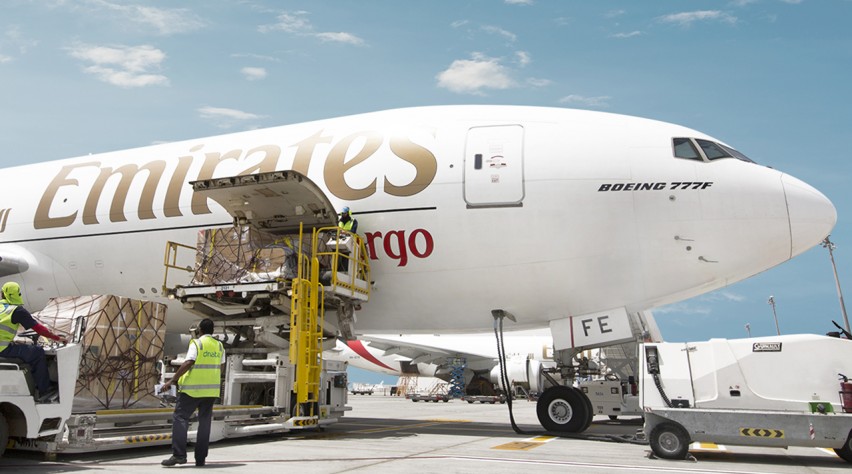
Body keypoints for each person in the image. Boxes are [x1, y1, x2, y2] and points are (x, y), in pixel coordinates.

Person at [161, 318, 225, 467]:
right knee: (204, 424)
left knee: (180, 418)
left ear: (199, 330)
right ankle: (201, 458)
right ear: (212, 331)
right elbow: (220, 367)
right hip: (210, 392)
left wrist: (173, 380)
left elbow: (189, 362)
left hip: (192, 390)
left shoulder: (197, 343)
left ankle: (179, 455)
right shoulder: (219, 346)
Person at [0, 281, 67, 403]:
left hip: (4, 347)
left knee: (24, 349)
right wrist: (57, 338)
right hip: (2, 350)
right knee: (37, 352)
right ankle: (44, 390)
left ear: (2, 294)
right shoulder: (16, 311)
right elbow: (38, 329)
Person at [337, 206, 358, 272]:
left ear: (348, 213)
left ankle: (345, 269)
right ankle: (339, 269)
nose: (343, 215)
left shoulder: (353, 221)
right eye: (343, 213)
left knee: (347, 256)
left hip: (350, 240)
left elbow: (353, 231)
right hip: (340, 240)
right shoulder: (340, 221)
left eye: (345, 213)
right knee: (339, 255)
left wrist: (346, 232)